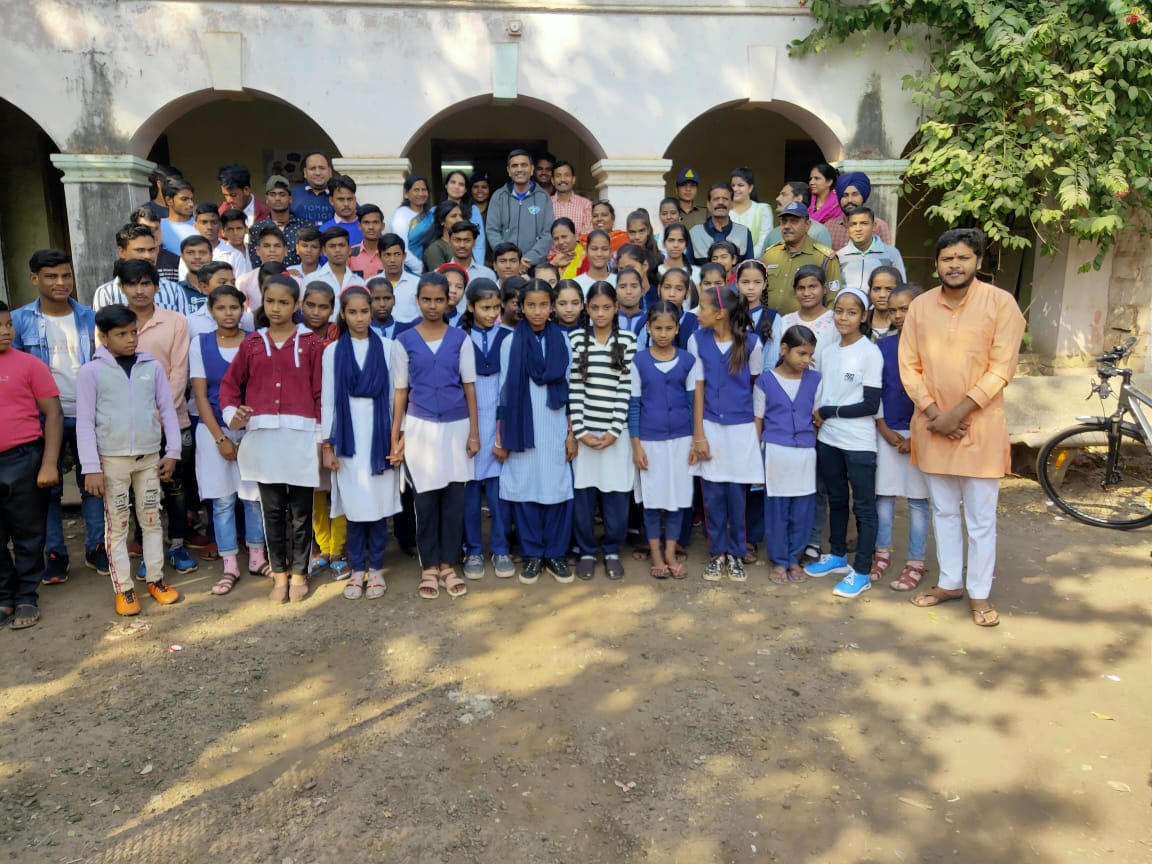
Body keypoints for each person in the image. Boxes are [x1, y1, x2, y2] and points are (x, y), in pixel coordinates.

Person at [899, 229, 1026, 627]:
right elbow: (909, 365)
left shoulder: (1002, 304)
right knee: (944, 511)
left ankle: (979, 593)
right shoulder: (920, 306)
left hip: (980, 427)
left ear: (979, 262)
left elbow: (1001, 368)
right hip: (933, 424)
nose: (954, 264)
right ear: (937, 264)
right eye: (947, 258)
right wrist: (936, 412)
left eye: (963, 258)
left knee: (980, 517)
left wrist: (958, 414)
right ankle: (951, 582)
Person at [220, 275, 324, 603]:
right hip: (264, 440)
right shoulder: (252, 344)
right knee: (273, 511)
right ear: (261, 303)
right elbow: (228, 387)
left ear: (296, 306)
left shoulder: (311, 344)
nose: (276, 308)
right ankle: (279, 574)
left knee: (301, 512)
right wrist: (232, 415)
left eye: (283, 302)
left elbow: (322, 394)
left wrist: (322, 439)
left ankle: (299, 574)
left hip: (301, 438)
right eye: (270, 301)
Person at [77, 304, 182, 616]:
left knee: (151, 520)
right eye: (121, 334)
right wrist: (91, 467)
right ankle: (124, 588)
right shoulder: (91, 372)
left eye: (133, 332)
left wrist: (172, 451)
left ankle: (156, 579)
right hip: (112, 463)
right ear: (103, 337)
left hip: (149, 458)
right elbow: (84, 423)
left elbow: (167, 410)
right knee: (118, 526)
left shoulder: (151, 367)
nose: (130, 339)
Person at [12, 250, 106, 584]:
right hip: (41, 418)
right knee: (46, 487)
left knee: (92, 482)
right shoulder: (19, 321)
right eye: (51, 276)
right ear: (34, 278)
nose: (61, 283)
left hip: (86, 413)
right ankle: (55, 552)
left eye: (66, 275)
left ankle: (97, 547)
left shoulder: (89, 317)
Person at [391, 273, 480, 599]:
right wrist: (396, 437)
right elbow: (401, 392)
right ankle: (429, 565)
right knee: (425, 502)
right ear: (418, 300)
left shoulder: (460, 339)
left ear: (448, 302)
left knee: (454, 500)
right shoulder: (405, 341)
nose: (432, 305)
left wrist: (474, 433)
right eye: (426, 299)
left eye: (438, 300)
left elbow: (469, 387)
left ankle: (448, 564)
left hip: (456, 429)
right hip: (420, 428)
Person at [321, 287, 402, 600]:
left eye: (364, 312)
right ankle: (357, 571)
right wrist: (327, 445)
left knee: (379, 508)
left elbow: (398, 397)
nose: (358, 318)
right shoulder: (332, 352)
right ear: (343, 314)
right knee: (354, 509)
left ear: (372, 312)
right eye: (352, 312)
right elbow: (328, 401)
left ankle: (377, 569)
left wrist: (397, 438)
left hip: (380, 438)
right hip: (348, 440)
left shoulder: (388, 347)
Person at [804, 287, 883, 600]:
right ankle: (837, 556)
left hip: (859, 442)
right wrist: (819, 413)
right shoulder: (828, 351)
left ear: (863, 316)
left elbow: (869, 404)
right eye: (839, 311)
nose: (844, 317)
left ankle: (861, 571)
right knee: (836, 498)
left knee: (863, 507)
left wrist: (828, 412)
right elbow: (824, 390)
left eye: (852, 312)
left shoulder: (870, 353)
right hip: (829, 438)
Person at [189, 285, 268, 594]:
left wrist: (246, 432)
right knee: (222, 502)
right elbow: (200, 396)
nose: (228, 313)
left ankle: (257, 557)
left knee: (253, 497)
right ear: (211, 311)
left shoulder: (254, 342)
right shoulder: (201, 343)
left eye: (234, 307)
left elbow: (260, 389)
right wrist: (221, 437)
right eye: (221, 308)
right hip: (213, 431)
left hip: (251, 430)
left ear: (243, 309)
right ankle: (230, 563)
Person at [494, 279, 574, 584]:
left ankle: (555, 554)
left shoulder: (562, 341)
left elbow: (570, 389)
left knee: (556, 488)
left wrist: (570, 434)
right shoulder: (509, 342)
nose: (537, 311)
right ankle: (532, 555)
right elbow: (503, 390)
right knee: (525, 487)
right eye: (531, 305)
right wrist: (501, 437)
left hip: (554, 424)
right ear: (520, 307)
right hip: (521, 427)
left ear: (551, 306)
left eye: (543, 305)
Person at [689, 284, 760, 583]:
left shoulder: (752, 343)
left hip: (743, 429)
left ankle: (736, 551)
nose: (697, 313)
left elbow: (756, 390)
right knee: (713, 494)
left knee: (737, 494)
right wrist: (699, 435)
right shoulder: (697, 340)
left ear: (720, 314)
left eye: (702, 308)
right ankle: (718, 552)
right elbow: (698, 389)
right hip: (711, 429)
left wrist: (755, 436)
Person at [0, 300, 62, 629]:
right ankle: (3, 597)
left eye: (8, 324)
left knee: (27, 532)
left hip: (23, 459)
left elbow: (53, 413)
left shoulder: (28, 365)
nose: (5, 331)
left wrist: (49, 462)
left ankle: (26, 594)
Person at [569, 282, 637, 581]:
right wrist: (581, 431)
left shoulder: (628, 340)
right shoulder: (575, 340)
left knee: (616, 497)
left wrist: (612, 431)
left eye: (606, 307)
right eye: (594, 307)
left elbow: (625, 389)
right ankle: (585, 550)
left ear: (616, 308)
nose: (600, 313)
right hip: (585, 434)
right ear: (587, 308)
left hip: (616, 434)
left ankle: (611, 550)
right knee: (583, 497)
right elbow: (575, 387)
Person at [630, 300, 695, 580]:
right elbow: (633, 405)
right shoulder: (639, 361)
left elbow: (694, 403)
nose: (663, 333)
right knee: (654, 499)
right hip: (650, 440)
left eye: (669, 328)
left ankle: (670, 551)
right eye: (658, 328)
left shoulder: (688, 360)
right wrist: (635, 444)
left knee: (678, 497)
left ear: (677, 328)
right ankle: (655, 553)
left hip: (682, 439)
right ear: (648, 328)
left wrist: (696, 441)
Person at [873, 283, 931, 591]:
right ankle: (881, 553)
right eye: (893, 309)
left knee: (918, 501)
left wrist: (918, 437)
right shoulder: (882, 347)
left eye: (904, 308)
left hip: (924, 433)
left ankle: (916, 562)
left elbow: (937, 395)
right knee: (884, 495)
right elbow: (877, 388)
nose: (897, 315)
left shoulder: (934, 348)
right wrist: (882, 426)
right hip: (888, 430)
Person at [755, 324, 822, 586]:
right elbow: (758, 419)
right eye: (801, 354)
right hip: (775, 453)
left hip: (805, 453)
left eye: (809, 355)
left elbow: (817, 417)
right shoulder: (765, 381)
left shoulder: (816, 380)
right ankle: (780, 560)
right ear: (784, 350)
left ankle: (794, 557)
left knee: (802, 510)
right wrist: (756, 455)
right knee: (777, 510)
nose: (806, 360)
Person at [459, 278, 516, 580]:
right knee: (470, 495)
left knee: (498, 495)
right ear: (470, 306)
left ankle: (501, 547)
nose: (492, 312)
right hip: (468, 425)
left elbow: (507, 387)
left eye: (496, 306)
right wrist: (471, 432)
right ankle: (473, 550)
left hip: (498, 423)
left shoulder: (508, 337)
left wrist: (501, 434)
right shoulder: (459, 337)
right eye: (485, 307)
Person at [761, 202, 842, 313]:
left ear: (807, 225)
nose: (787, 226)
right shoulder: (770, 254)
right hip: (769, 325)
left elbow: (833, 300)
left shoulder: (824, 257)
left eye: (794, 221)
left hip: (807, 327)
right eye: (784, 221)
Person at [92, 224, 190, 315]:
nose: (147, 256)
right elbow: (102, 331)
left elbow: (184, 329)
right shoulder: (106, 293)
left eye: (151, 250)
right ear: (121, 252)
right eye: (140, 250)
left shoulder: (174, 291)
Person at [486, 149, 555, 271]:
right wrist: (510, 259)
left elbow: (548, 233)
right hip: (506, 267)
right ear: (508, 171)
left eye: (524, 165)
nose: (519, 169)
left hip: (535, 266)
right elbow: (492, 230)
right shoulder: (498, 196)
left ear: (532, 169)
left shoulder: (543, 197)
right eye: (514, 166)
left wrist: (528, 259)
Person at [836, 207, 906, 292]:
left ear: (874, 226)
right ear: (848, 227)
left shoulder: (891, 254)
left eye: (864, 223)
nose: (858, 229)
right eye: (853, 224)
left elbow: (901, 288)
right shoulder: (839, 256)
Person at [248, 175, 309, 267]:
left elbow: (310, 259)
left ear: (290, 199)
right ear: (267, 199)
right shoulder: (257, 229)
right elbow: (255, 262)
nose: (277, 198)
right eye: (273, 194)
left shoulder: (304, 227)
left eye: (282, 194)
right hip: (266, 279)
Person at [689, 184, 754, 263]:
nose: (720, 202)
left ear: (732, 204)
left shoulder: (744, 232)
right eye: (716, 199)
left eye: (725, 199)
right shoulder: (695, 233)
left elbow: (749, 269)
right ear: (708, 204)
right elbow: (689, 269)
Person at [828, 170, 893, 249]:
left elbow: (887, 258)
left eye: (855, 194)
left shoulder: (879, 227)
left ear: (863, 197)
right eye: (845, 195)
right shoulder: (829, 227)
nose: (850, 200)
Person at [763, 182, 833, 248]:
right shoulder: (772, 235)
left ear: (798, 199)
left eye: (784, 195)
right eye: (784, 221)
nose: (777, 198)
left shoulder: (819, 232)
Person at [441, 169, 487, 264]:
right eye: (453, 182)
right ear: (446, 185)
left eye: (461, 184)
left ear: (466, 189)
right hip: (443, 259)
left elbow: (479, 242)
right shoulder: (435, 210)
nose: (456, 187)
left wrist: (477, 267)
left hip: (470, 262)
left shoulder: (473, 210)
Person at [391, 176, 434, 275]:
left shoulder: (431, 216)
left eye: (424, 190)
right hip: (410, 269)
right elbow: (401, 247)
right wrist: (419, 267)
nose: (421, 193)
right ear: (406, 194)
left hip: (431, 267)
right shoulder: (401, 215)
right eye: (416, 190)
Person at [729, 167, 774, 257]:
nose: (735, 189)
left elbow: (764, 241)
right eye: (733, 185)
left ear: (750, 188)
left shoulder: (762, 209)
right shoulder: (725, 211)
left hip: (753, 263)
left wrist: (746, 259)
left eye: (740, 185)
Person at [380, 234, 420, 322]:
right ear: (380, 257)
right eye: (387, 255)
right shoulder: (371, 284)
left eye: (397, 254)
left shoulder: (417, 284)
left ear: (404, 256)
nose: (392, 260)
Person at [314, 226, 363, 295]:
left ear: (349, 250)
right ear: (324, 251)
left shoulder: (359, 282)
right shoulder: (312, 280)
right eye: (332, 246)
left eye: (341, 245)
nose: (337, 250)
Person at [550, 160, 592, 236]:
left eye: (567, 175)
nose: (562, 179)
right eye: (558, 176)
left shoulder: (586, 204)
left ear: (573, 179)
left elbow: (587, 235)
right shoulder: (546, 204)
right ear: (553, 180)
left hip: (578, 247)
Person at [318, 175, 363, 247]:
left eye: (350, 199)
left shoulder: (368, 227)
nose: (346, 204)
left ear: (355, 199)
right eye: (341, 199)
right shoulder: (324, 230)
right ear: (331, 200)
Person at [292, 152, 335, 225]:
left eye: (322, 168)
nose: (318, 173)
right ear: (305, 173)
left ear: (329, 171)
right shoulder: (292, 195)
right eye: (312, 168)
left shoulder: (340, 195)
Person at [422, 201, 465, 272]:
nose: (460, 220)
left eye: (461, 216)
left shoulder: (464, 245)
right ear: (442, 221)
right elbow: (440, 279)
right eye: (454, 216)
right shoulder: (435, 248)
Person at [159, 178, 198, 256]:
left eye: (191, 199)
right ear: (169, 200)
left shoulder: (200, 224)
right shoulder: (158, 227)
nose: (191, 204)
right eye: (184, 199)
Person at [177, 234, 215, 311]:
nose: (197, 257)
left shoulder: (222, 288)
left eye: (202, 252)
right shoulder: (175, 291)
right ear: (182, 256)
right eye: (190, 252)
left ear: (211, 255)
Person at [349, 204, 387, 279]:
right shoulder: (350, 254)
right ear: (359, 226)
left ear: (383, 226)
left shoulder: (390, 254)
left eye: (375, 222)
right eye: (366, 223)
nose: (371, 227)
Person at [866, 266, 903, 342]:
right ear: (869, 292)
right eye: (876, 289)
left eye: (889, 289)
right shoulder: (860, 324)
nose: (882, 295)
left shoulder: (905, 324)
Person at [574, 230, 615, 295]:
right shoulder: (576, 284)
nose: (599, 254)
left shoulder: (618, 282)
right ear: (586, 251)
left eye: (604, 249)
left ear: (610, 252)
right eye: (594, 249)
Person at [219, 209, 252, 277]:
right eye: (230, 229)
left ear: (246, 229)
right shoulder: (221, 256)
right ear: (223, 232)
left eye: (239, 228)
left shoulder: (254, 251)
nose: (235, 233)